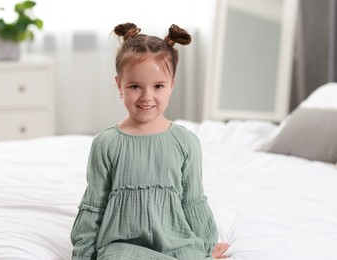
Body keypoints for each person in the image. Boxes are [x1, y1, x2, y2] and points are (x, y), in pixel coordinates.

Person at [71, 22, 229, 260]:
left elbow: (193, 201)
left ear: (172, 85)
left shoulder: (186, 142)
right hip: (122, 246)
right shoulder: (106, 144)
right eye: (135, 86)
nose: (147, 97)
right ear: (119, 85)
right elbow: (94, 206)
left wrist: (204, 248)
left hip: (177, 242)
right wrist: (82, 255)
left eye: (158, 86)